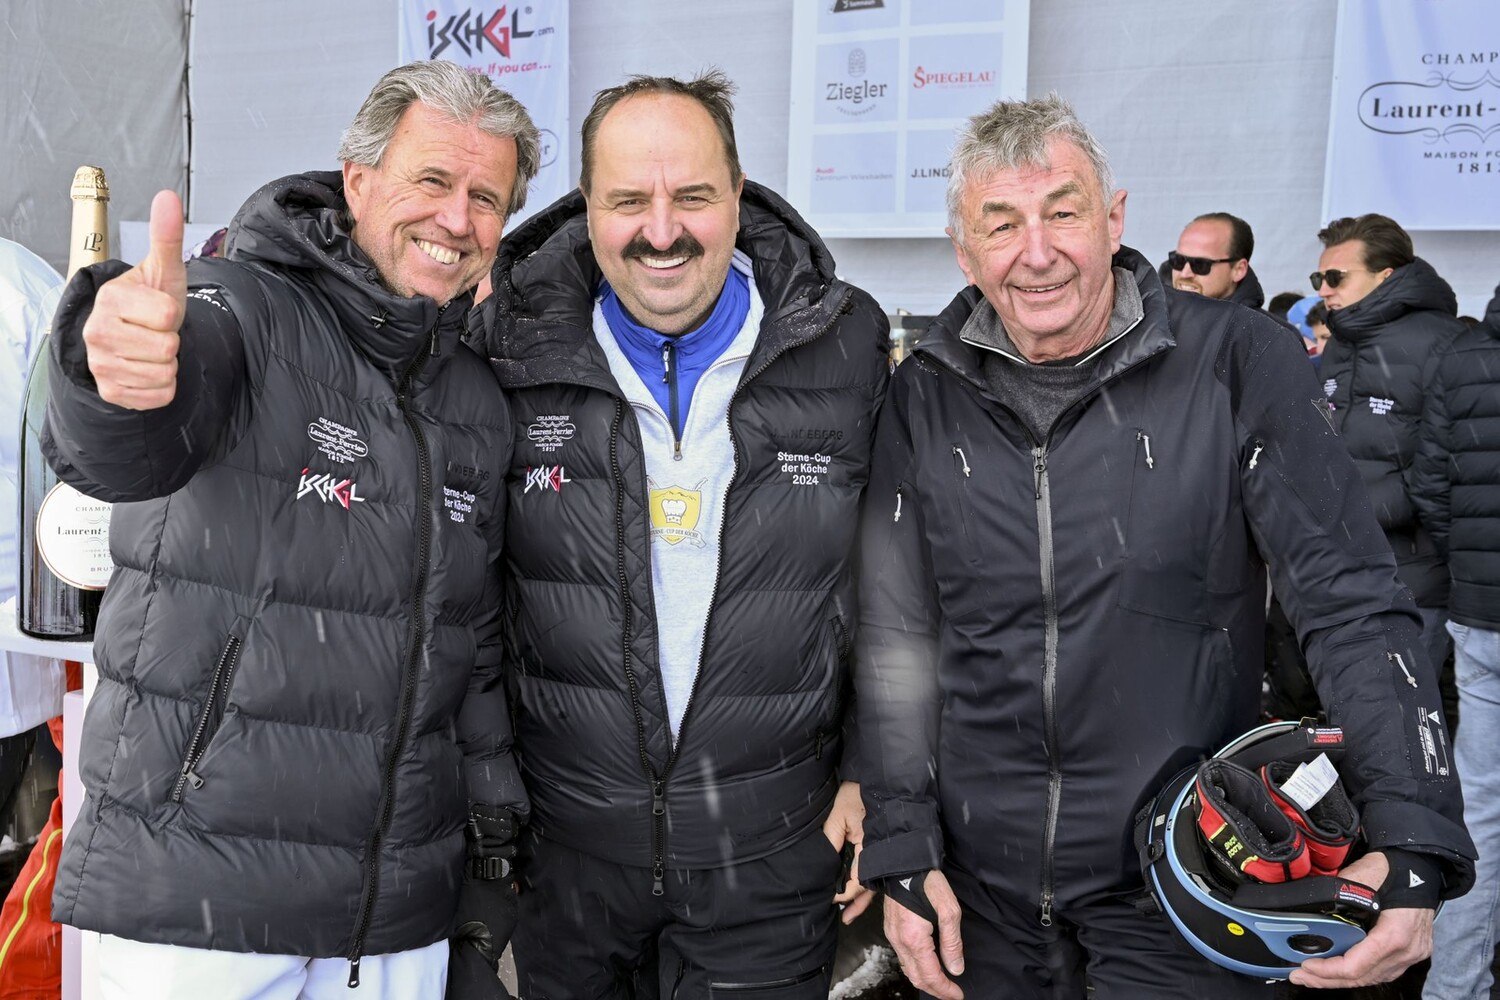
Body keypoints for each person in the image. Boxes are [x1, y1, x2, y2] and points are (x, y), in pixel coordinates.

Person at [854, 95, 1474, 1000]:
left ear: (1113, 221)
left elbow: (1347, 597)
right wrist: (903, 851)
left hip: (1184, 888)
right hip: (976, 901)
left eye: (1063, 212)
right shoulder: (923, 398)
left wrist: (1414, 838)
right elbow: (895, 636)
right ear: (963, 252)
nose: (1038, 252)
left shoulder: (1236, 359)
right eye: (1002, 223)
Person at [42, 61, 539, 999]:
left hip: (390, 920)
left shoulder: (475, 399)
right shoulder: (241, 305)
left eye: (487, 198)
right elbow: (131, 437)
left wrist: (490, 851)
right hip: (201, 906)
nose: (457, 220)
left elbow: (465, 647)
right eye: (432, 181)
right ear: (357, 180)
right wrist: (112, 372)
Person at [476, 72, 889, 998]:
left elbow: (898, 586)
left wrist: (878, 773)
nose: (662, 231)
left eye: (693, 196)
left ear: (739, 197)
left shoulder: (845, 340)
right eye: (628, 200)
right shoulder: (505, 347)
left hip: (774, 861)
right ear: (586, 210)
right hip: (569, 868)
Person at [1316, 214, 1466, 729]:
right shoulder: (1340, 343)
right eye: (1319, 279)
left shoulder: (1443, 343)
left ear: (1385, 276)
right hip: (1341, 573)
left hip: (1415, 580)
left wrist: (1360, 512)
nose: (1325, 291)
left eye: (1336, 278)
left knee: (1409, 731)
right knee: (1357, 729)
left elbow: (1452, 467)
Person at [1413, 281, 1500, 1000]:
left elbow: (1432, 489)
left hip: (1481, 612)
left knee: (1483, 810)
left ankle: (1455, 987)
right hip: (1478, 610)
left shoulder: (1466, 356)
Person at [1165, 212, 1264, 307]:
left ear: (1239, 270)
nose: (1185, 274)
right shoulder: (1152, 317)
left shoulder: (1260, 324)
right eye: (1178, 260)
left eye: (1201, 264)